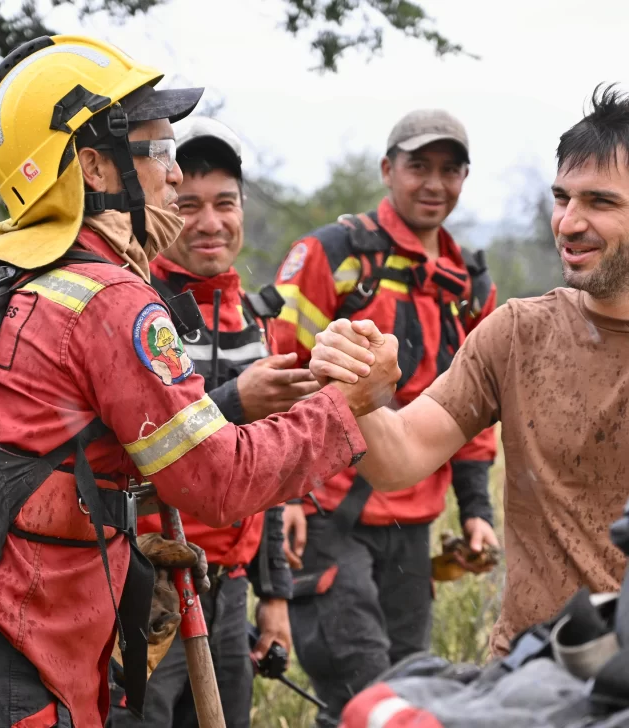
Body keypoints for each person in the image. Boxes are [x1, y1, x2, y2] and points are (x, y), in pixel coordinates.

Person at [0, 35, 400, 728]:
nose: (175, 174)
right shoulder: (109, 301)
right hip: (21, 668)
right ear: (95, 165)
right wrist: (346, 404)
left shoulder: (4, 283)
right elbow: (218, 482)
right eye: (158, 150)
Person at [309, 84, 629, 667]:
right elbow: (397, 460)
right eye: (562, 197)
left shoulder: (466, 278)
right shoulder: (517, 333)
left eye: (600, 202)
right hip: (530, 677)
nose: (569, 222)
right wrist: (353, 382)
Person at [271, 109, 499, 723]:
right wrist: (284, 496)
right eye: (418, 166)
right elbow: (281, 372)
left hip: (414, 520)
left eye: (450, 170)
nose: (434, 183)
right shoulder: (336, 253)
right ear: (387, 169)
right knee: (363, 694)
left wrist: (477, 511)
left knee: (410, 694)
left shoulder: (470, 286)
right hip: (325, 513)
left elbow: (479, 408)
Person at [110, 117, 316, 727]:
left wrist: (274, 597)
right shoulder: (130, 303)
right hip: (143, 593)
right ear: (162, 206)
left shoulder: (258, 322)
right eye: (188, 203)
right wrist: (234, 401)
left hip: (228, 598)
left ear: (243, 209)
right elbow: (132, 447)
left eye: (224, 203)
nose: (209, 222)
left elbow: (270, 468)